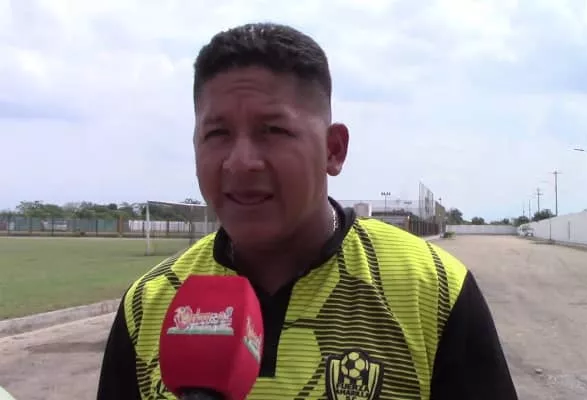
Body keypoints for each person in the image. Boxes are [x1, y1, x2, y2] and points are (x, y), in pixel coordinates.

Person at [97, 22, 518, 400]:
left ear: (333, 150)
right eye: (217, 133)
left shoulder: (431, 291)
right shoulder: (149, 304)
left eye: (273, 130)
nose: (240, 162)